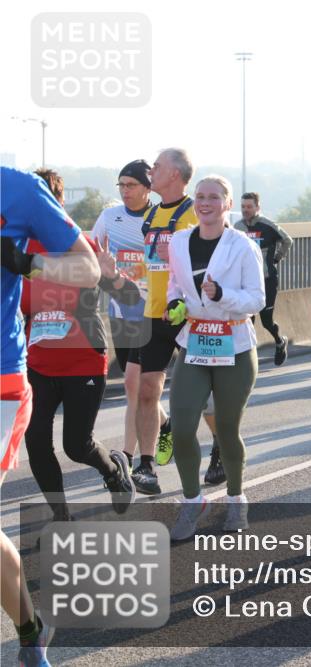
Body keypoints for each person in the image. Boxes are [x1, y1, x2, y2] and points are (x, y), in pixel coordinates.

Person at [1, 166, 102, 667]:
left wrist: (25, 264)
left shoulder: (18, 188)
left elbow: (89, 269)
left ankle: (27, 633)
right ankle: (31, 628)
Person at [165, 175, 264, 541]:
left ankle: (237, 497)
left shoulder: (242, 246)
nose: (205, 203)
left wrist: (223, 294)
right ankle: (193, 501)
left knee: (226, 429)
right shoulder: (178, 242)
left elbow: (257, 299)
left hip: (235, 344)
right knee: (181, 425)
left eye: (213, 197)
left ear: (227, 204)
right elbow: (176, 284)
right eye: (200, 197)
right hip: (194, 342)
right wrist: (176, 302)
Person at [22, 230, 137, 520]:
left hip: (83, 361)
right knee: (35, 441)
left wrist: (111, 276)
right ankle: (61, 517)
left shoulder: (82, 243)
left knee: (76, 446)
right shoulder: (15, 247)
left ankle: (112, 470)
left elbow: (130, 297)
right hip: (37, 364)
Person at [90, 160, 172, 478]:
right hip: (120, 310)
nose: (125, 191)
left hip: (152, 313)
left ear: (147, 188)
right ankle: (164, 422)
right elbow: (91, 253)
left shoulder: (159, 219)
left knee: (131, 384)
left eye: (131, 185)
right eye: (121, 185)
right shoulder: (111, 216)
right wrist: (105, 270)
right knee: (135, 389)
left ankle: (128, 456)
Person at [134, 148, 200, 494]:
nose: (152, 170)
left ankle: (220, 449)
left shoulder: (195, 212)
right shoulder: (151, 213)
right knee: (147, 391)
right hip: (153, 312)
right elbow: (150, 265)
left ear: (174, 173)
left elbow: (211, 258)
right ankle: (146, 467)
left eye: (157, 166)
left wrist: (178, 253)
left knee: (202, 395)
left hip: (189, 315)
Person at [235, 192, 292, 365]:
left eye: (249, 206)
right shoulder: (236, 227)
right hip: (244, 281)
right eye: (243, 206)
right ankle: (248, 356)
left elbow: (287, 240)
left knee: (266, 321)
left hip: (266, 279)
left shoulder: (267, 225)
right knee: (247, 319)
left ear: (257, 207)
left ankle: (280, 341)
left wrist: (276, 258)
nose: (246, 210)